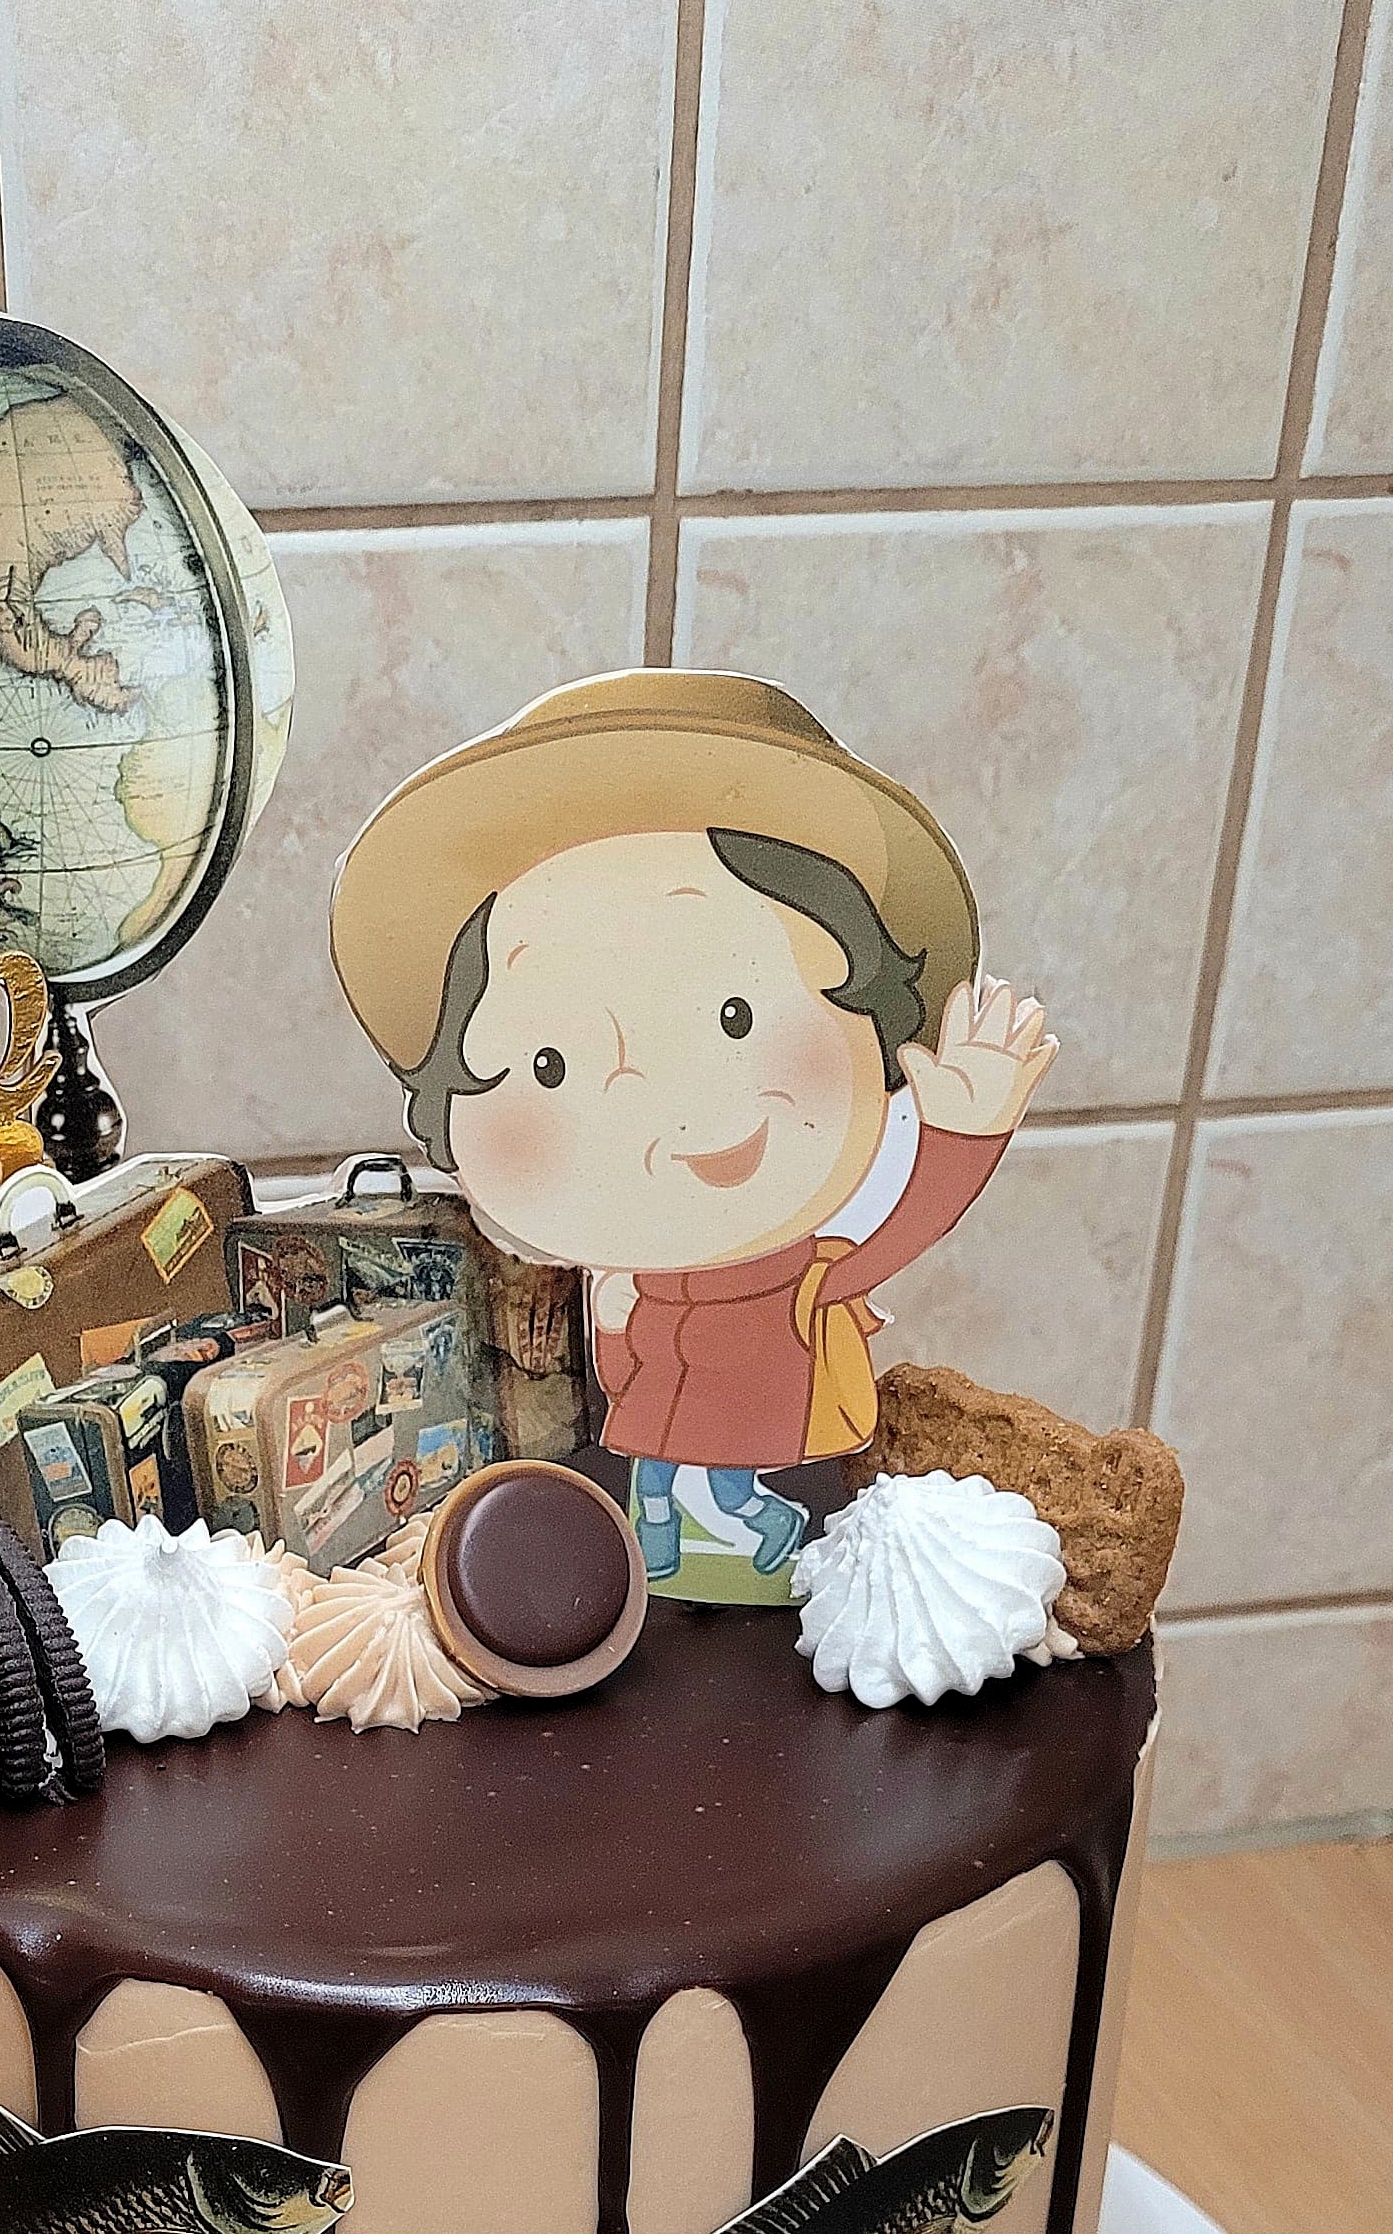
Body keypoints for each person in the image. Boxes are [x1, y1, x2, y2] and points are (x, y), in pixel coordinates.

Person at [332, 671, 1055, 1603]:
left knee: (722, 1483)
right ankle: (666, 1547)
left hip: (764, 1404)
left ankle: (764, 1532)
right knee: (659, 1480)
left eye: (733, 1016)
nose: (654, 1103)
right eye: (550, 1064)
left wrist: (963, 1133)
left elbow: (889, 1239)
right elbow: (626, 1347)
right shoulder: (629, 1277)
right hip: (661, 1401)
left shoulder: (796, 1272)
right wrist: (616, 1325)